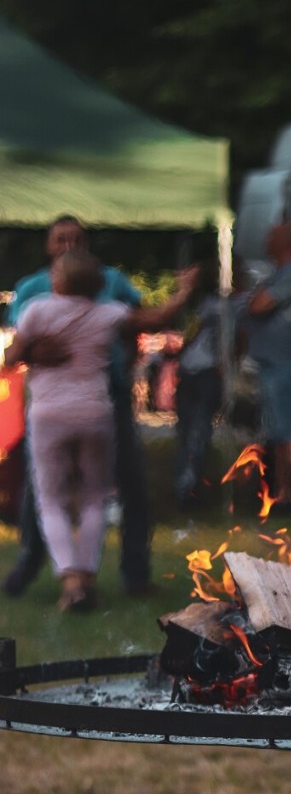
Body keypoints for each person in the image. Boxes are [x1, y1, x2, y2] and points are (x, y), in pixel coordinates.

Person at [3, 250, 197, 611]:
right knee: (95, 498)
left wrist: (31, 351)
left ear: (58, 280)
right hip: (96, 414)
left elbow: (12, 358)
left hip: (49, 415)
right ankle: (88, 577)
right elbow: (158, 318)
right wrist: (183, 291)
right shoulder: (107, 312)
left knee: (50, 499)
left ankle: (71, 580)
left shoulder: (37, 309)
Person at [2, 216, 153, 597]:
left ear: (87, 244)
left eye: (77, 239)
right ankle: (31, 565)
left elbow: (135, 324)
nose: (69, 245)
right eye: (61, 239)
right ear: (49, 247)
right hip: (56, 400)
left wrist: (129, 360)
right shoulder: (31, 288)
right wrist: (37, 352)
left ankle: (133, 574)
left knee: (128, 482)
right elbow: (21, 344)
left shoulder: (113, 281)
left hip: (108, 393)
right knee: (45, 490)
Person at [243, 221, 291, 511]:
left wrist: (256, 298)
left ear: (285, 241)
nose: (267, 241)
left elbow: (258, 305)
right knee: (279, 431)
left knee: (289, 430)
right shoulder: (278, 274)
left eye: (272, 236)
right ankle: (282, 493)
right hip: (272, 363)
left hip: (285, 363)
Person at [174, 259, 224, 506]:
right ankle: (187, 484)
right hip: (189, 373)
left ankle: (189, 487)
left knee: (196, 432)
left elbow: (188, 337)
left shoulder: (213, 306)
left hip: (205, 374)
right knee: (188, 432)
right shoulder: (188, 306)